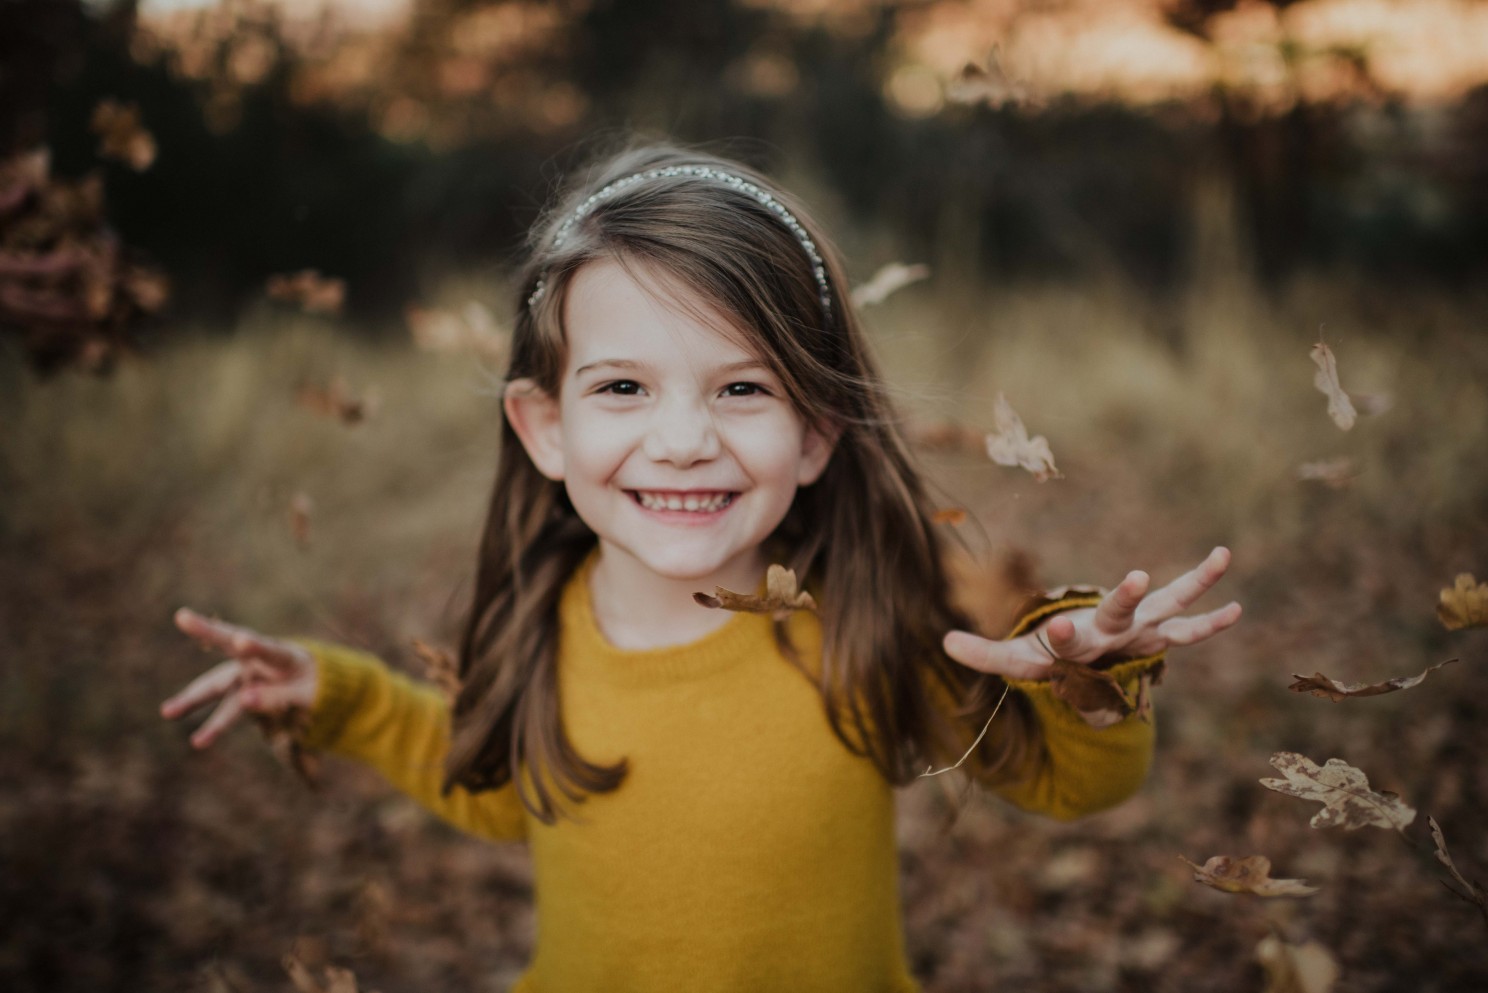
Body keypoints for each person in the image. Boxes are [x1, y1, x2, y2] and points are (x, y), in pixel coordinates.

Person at [160, 139, 1241, 993]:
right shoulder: (542, 626)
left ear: (816, 432)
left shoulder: (866, 626)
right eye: (624, 389)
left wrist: (1084, 677)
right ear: (544, 427)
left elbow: (1077, 791)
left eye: (742, 389)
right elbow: (506, 791)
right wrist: (339, 698)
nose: (682, 441)